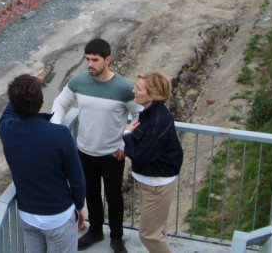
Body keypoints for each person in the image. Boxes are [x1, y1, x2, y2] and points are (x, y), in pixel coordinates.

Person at [51, 39, 142, 253]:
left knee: (114, 198)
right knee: (91, 194)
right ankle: (95, 231)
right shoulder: (78, 81)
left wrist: (125, 145)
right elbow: (60, 103)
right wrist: (55, 129)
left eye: (95, 60)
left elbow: (141, 115)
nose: (90, 64)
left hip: (112, 155)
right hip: (84, 152)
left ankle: (117, 238)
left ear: (107, 59)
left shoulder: (124, 88)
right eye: (88, 59)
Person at [0, 73, 86, 253]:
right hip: (58, 218)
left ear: (14, 102)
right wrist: (79, 207)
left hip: (28, 217)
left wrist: (20, 91)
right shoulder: (59, 134)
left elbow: (7, 113)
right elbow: (77, 180)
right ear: (42, 101)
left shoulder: (7, 130)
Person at [123, 71, 184, 253]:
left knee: (149, 235)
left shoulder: (157, 121)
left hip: (157, 187)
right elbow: (145, 144)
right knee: (158, 230)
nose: (133, 91)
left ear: (152, 95)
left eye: (138, 88)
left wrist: (127, 135)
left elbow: (141, 155)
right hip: (156, 183)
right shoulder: (154, 113)